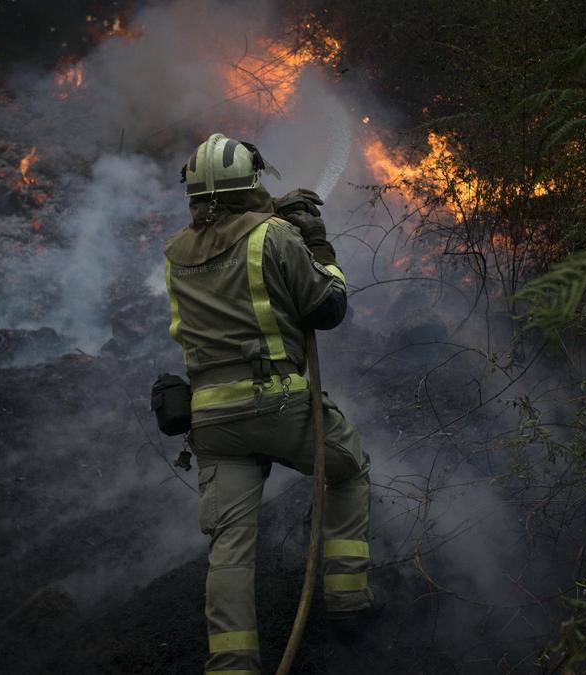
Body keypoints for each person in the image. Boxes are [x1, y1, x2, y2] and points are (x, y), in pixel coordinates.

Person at [162, 133, 375, 674]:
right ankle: (348, 603)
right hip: (276, 405)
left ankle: (231, 667)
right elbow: (328, 309)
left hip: (212, 422)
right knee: (347, 467)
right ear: (251, 183)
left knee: (229, 547)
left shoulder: (175, 256)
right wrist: (318, 244)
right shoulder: (274, 235)